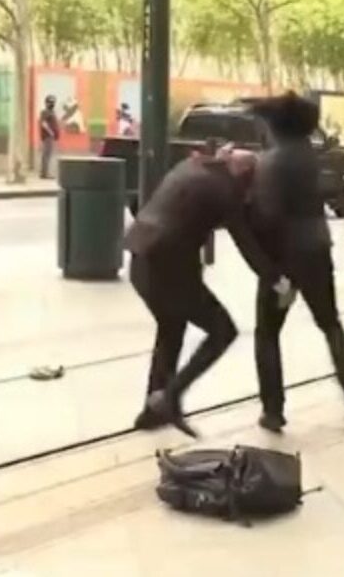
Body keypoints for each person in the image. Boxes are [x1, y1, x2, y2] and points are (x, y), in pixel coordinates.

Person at [126, 145, 294, 438]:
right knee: (222, 330)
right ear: (244, 176)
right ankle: (170, 397)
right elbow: (246, 244)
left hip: (141, 260)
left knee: (170, 328)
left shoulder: (191, 166)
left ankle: (152, 411)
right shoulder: (226, 191)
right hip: (169, 266)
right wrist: (278, 280)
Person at [248, 91, 344, 433]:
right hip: (316, 249)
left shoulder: (271, 161)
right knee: (330, 323)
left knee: (266, 334)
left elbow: (266, 216)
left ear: (274, 127)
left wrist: (272, 270)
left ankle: (273, 410)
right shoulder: (307, 155)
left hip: (284, 256)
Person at [39, 95, 59, 179]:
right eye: (50, 102)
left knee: (48, 154)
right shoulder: (45, 112)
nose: (52, 104)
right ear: (46, 103)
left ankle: (45, 172)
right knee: (46, 154)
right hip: (47, 137)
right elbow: (43, 123)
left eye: (53, 102)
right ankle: (45, 173)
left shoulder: (52, 112)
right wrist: (51, 132)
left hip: (51, 137)